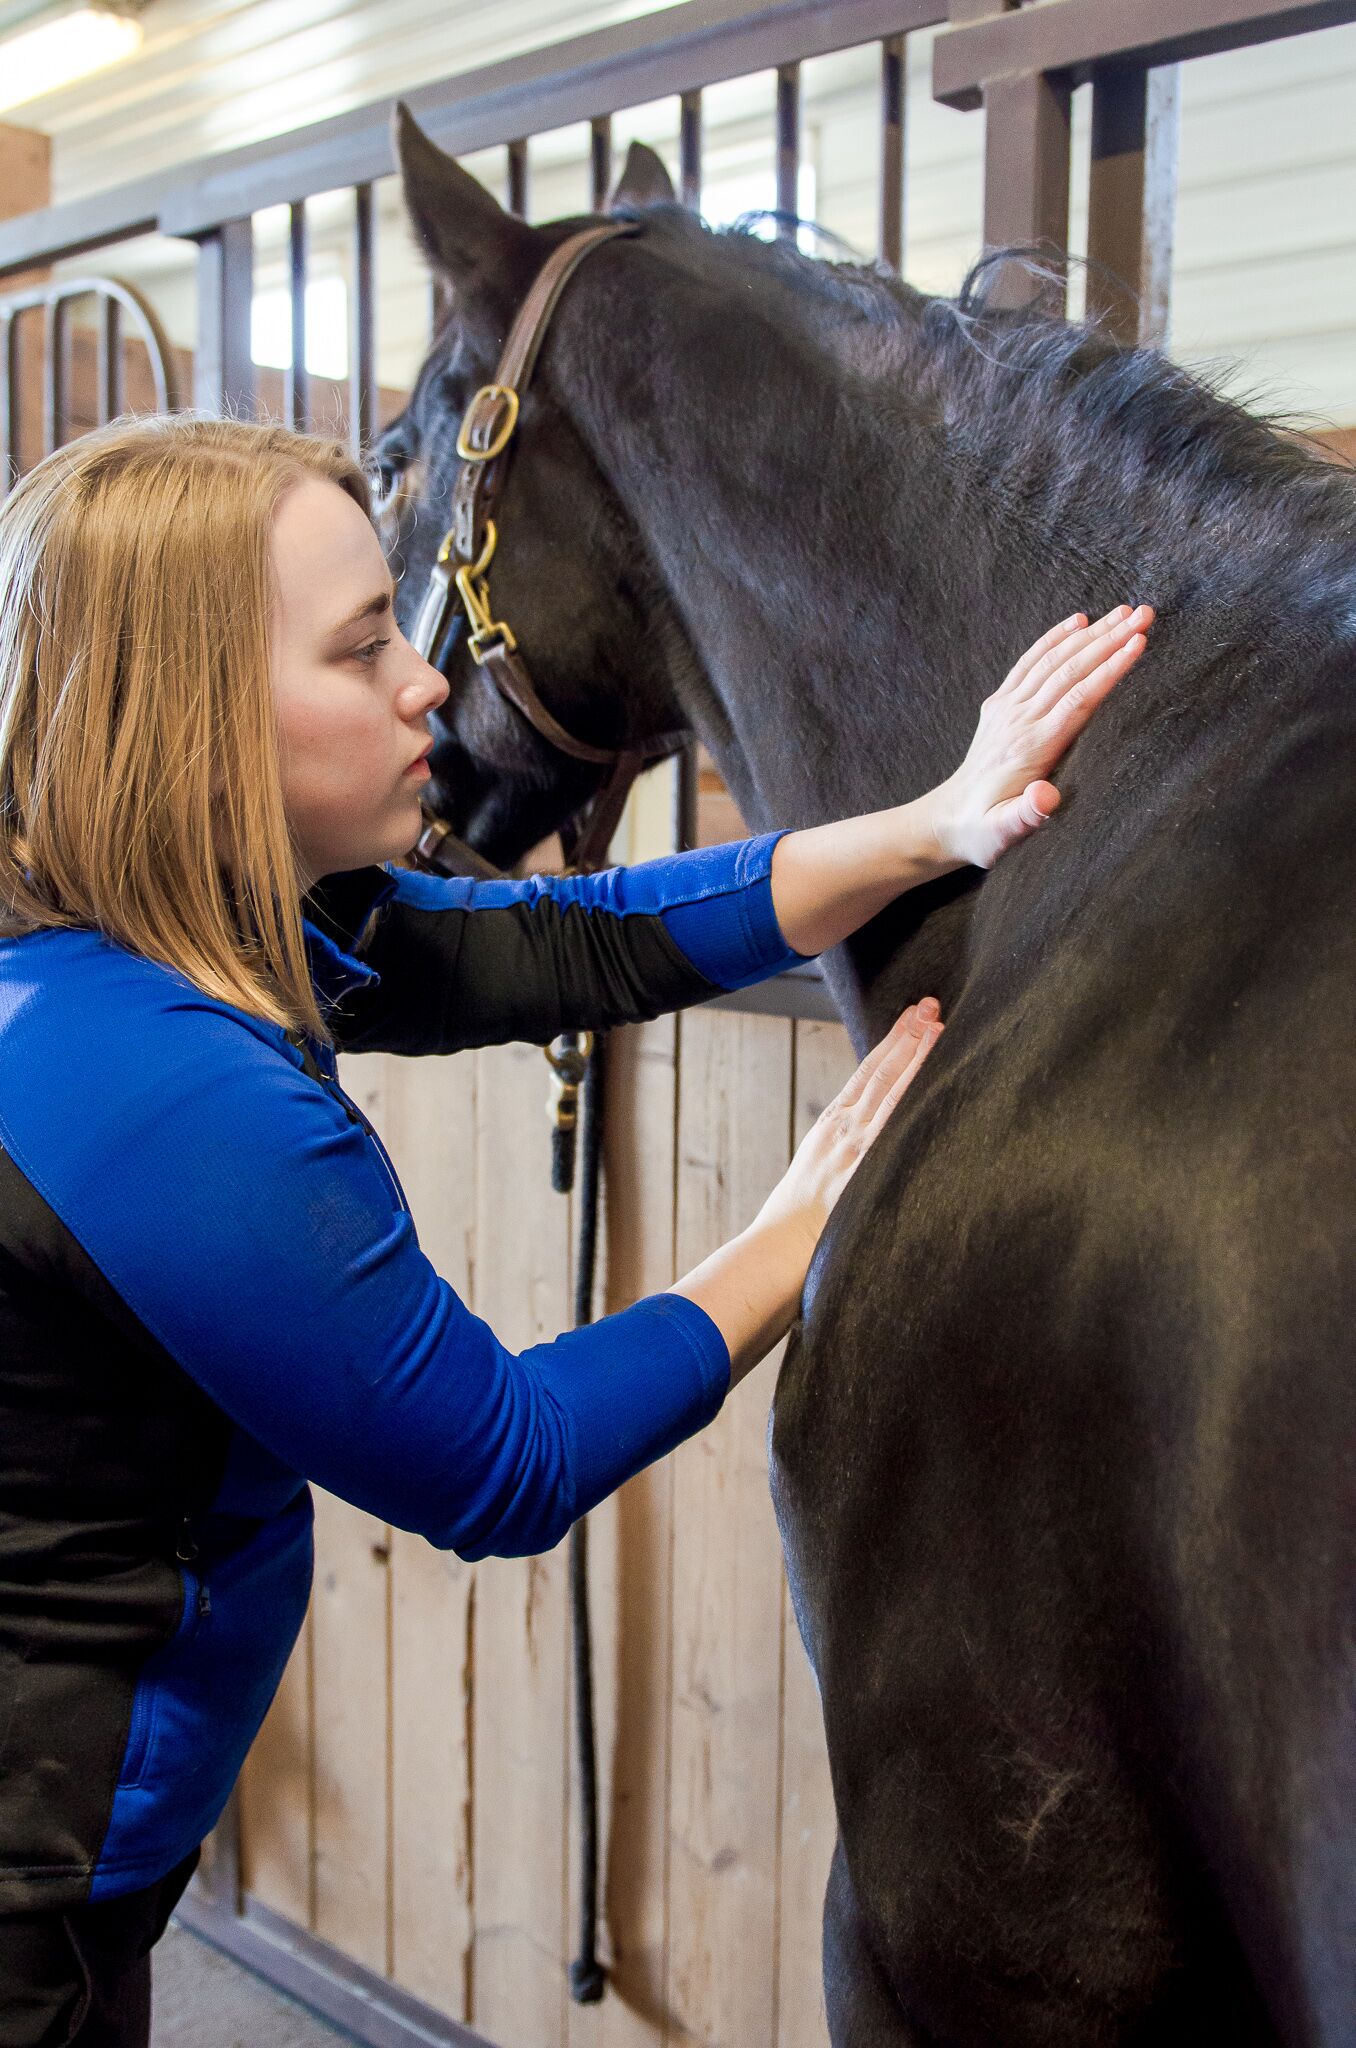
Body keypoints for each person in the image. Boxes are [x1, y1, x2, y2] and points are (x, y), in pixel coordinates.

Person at [0, 414, 1151, 2046]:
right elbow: (501, 1459)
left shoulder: (155, 919)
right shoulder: (157, 1088)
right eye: (361, 649)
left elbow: (557, 941)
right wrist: (798, 1222)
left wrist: (929, 823)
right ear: (185, 723)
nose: (427, 679)